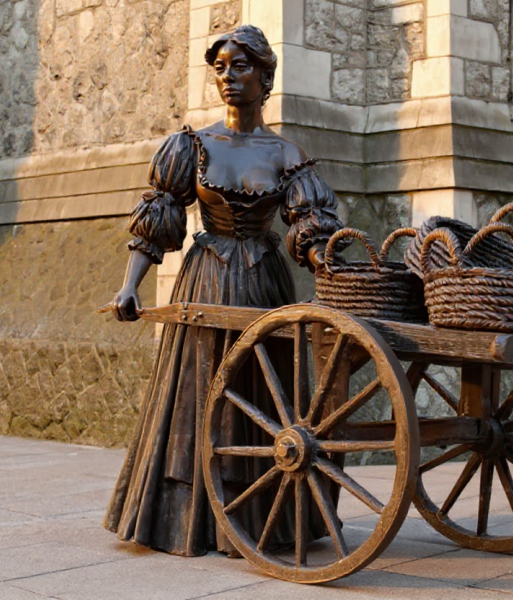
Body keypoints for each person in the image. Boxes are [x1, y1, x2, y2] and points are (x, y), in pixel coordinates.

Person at [103, 25, 346, 557]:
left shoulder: (287, 154)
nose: (229, 78)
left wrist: (326, 257)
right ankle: (191, 519)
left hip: (264, 283)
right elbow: (160, 218)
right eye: (220, 68)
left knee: (268, 394)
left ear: (266, 76)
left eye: (241, 66)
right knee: (200, 391)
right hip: (208, 279)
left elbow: (309, 228)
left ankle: (265, 518)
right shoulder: (191, 146)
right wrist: (129, 287)